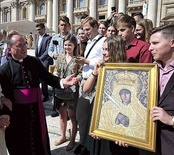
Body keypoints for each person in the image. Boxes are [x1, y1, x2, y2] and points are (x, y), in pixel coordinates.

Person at [0, 33, 77, 155]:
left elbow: (48, 78)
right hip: (18, 115)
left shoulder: (34, 62)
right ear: (9, 49)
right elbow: (5, 97)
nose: (24, 48)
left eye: (25, 44)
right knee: (21, 144)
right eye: (19, 46)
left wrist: (62, 82)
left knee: (38, 140)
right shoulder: (4, 70)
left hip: (36, 110)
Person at [83, 35, 145, 155]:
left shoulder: (128, 71)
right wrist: (95, 73)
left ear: (116, 50)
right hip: (98, 112)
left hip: (119, 116)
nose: (104, 53)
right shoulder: (101, 67)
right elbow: (86, 89)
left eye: (107, 49)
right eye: (103, 49)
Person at [74, 16, 106, 155]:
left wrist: (86, 61)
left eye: (88, 29)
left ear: (95, 26)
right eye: (84, 29)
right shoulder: (89, 42)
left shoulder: (103, 41)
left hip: (95, 82)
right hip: (86, 80)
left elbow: (103, 61)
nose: (85, 32)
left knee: (89, 117)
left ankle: (87, 146)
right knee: (81, 117)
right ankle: (83, 143)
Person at [148, 24, 174, 155]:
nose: (150, 48)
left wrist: (171, 120)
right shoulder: (148, 71)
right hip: (149, 144)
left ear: (172, 43)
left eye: (155, 43)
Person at [53, 35, 81, 151]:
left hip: (72, 92)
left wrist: (77, 79)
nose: (67, 47)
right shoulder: (60, 58)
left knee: (72, 117)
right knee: (61, 115)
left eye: (70, 45)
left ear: (74, 46)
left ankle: (72, 139)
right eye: (65, 45)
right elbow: (56, 70)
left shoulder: (78, 59)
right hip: (61, 90)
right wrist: (56, 77)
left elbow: (80, 73)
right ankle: (63, 136)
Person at [48, 16, 71, 117]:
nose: (63, 27)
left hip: (68, 67)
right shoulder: (54, 37)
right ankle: (57, 109)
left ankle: (68, 111)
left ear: (69, 26)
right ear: (58, 26)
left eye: (65, 25)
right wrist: (53, 54)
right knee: (56, 87)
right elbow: (49, 50)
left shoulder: (71, 37)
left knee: (68, 88)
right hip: (57, 66)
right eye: (62, 25)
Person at [35, 23, 53, 102]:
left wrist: (41, 59)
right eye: (37, 30)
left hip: (45, 60)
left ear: (43, 29)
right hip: (38, 60)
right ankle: (38, 94)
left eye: (39, 29)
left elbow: (48, 50)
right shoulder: (37, 39)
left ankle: (46, 95)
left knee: (44, 78)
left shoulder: (48, 38)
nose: (38, 31)